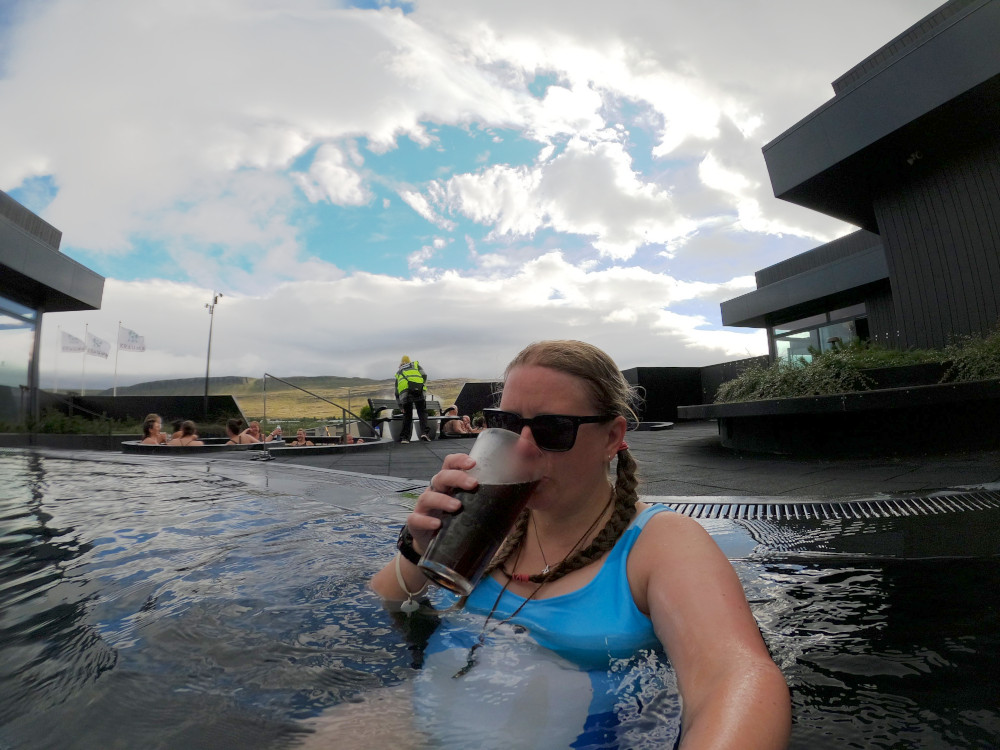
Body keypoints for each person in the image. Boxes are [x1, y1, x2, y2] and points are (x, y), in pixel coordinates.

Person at [368, 340, 790, 748]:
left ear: (611, 438)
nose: (525, 447)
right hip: (413, 720)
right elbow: (382, 604)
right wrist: (419, 547)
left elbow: (732, 677)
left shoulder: (660, 544)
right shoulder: (489, 525)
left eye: (554, 429)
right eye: (509, 424)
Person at [394, 355, 430, 444]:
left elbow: (396, 391)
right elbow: (424, 374)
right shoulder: (415, 366)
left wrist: (400, 406)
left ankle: (405, 438)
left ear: (401, 363)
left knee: (407, 415)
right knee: (422, 412)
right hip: (418, 390)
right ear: (409, 361)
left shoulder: (399, 372)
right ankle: (424, 433)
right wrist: (420, 384)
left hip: (405, 394)